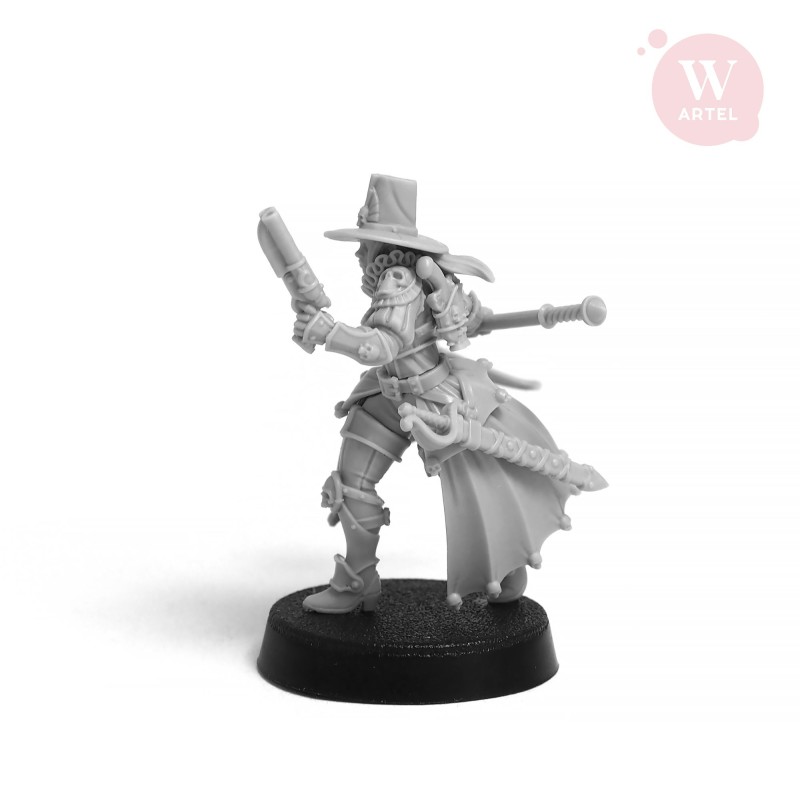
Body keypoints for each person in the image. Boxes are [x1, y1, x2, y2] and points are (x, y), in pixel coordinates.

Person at [291, 174, 605, 613]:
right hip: (389, 393)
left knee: (481, 483)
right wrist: (317, 331)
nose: (360, 253)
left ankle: (500, 567)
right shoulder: (419, 278)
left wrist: (328, 331)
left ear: (384, 245)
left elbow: (380, 346)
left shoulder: (397, 278)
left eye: (364, 243)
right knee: (353, 482)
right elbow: (462, 323)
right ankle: (359, 583)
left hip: (432, 402)